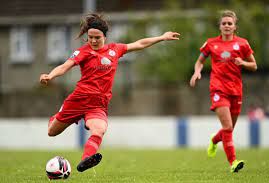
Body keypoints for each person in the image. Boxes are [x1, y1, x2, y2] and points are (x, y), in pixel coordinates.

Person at [40, 13, 180, 172]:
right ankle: (58, 116)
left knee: (99, 129)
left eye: (97, 37)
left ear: (104, 36)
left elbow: (139, 43)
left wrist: (161, 37)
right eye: (90, 37)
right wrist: (50, 75)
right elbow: (65, 66)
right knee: (52, 131)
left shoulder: (115, 49)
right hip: (79, 99)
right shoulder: (82, 52)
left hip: (98, 104)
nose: (93, 41)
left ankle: (86, 158)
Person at [189, 10, 257, 173]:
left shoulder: (242, 44)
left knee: (229, 129)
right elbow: (199, 62)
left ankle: (214, 140)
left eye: (230, 23)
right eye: (224, 23)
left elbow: (254, 65)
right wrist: (197, 72)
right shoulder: (211, 43)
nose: (227, 26)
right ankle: (233, 162)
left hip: (236, 90)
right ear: (220, 27)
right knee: (227, 127)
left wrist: (243, 63)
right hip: (218, 88)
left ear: (235, 27)